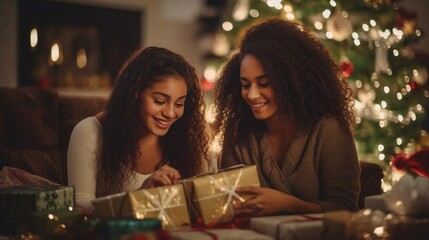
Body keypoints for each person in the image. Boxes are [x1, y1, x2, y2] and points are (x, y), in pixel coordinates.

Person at [213, 18, 360, 217]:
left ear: (291, 81)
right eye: (245, 85)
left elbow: (346, 208)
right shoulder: (240, 132)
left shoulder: (328, 130)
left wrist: (290, 205)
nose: (252, 94)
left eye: (264, 83)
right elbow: (229, 205)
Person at [68, 46, 209, 213]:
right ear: (135, 92)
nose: (171, 113)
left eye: (179, 104)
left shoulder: (188, 136)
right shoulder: (90, 131)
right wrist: (139, 197)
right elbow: (81, 206)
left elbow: (202, 202)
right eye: (159, 101)